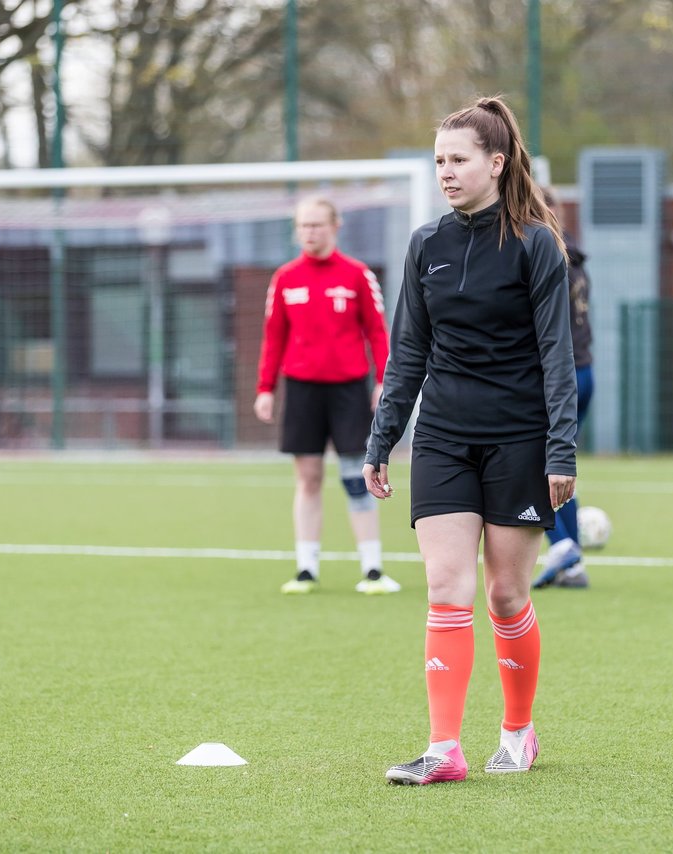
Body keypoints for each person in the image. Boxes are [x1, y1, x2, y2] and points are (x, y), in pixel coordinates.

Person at [363, 96, 577, 785]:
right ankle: (444, 748)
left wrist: (560, 451)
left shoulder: (536, 244)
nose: (445, 173)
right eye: (437, 162)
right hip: (444, 437)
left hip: (518, 437)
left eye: (456, 160)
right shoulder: (426, 244)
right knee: (445, 585)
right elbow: (408, 351)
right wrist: (382, 437)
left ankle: (519, 730)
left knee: (507, 594)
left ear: (496, 161)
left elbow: (557, 355)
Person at [255, 196, 400, 596]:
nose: (310, 233)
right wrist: (265, 388)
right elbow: (273, 337)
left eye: (317, 225)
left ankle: (372, 569)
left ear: (335, 227)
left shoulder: (357, 275)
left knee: (358, 477)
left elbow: (377, 330)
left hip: (349, 389)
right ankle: (306, 568)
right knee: (308, 478)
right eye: (303, 226)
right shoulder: (284, 278)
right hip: (301, 390)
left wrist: (384, 381)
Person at [532, 186, 595, 590]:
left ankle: (562, 546)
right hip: (586, 373)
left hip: (560, 377)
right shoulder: (575, 254)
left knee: (533, 464)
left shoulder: (545, 256)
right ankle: (572, 564)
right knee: (560, 465)